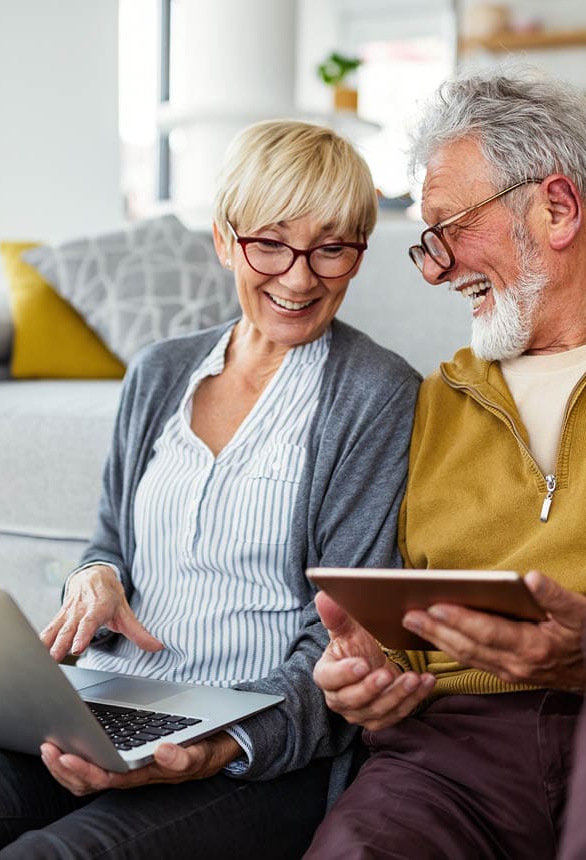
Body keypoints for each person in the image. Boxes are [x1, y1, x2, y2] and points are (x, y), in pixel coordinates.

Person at [0, 119, 420, 859]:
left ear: (359, 252)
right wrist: (96, 578)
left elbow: (340, 635)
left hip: (248, 749)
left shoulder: (375, 394)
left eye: (331, 248)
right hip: (101, 703)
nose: (299, 278)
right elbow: (109, 540)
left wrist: (216, 745)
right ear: (224, 240)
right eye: (270, 242)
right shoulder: (160, 371)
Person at [304, 67, 586, 859]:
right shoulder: (433, 399)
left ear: (555, 207)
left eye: (447, 230)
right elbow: (402, 616)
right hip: (453, 747)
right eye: (422, 245)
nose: (433, 270)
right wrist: (366, 676)